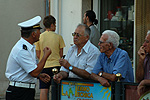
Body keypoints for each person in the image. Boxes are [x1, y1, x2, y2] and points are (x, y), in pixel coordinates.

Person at [5, 16, 52, 100]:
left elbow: (27, 71)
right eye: (38, 31)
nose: (40, 33)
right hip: (19, 92)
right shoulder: (22, 50)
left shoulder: (29, 47)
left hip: (25, 90)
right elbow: (33, 72)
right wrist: (45, 56)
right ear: (33, 34)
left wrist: (39, 75)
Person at [35, 15, 65, 100]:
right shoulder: (59, 37)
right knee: (57, 89)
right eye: (55, 25)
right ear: (52, 25)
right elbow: (61, 53)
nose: (55, 26)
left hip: (44, 66)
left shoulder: (39, 37)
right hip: (56, 65)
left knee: (44, 89)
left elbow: (38, 54)